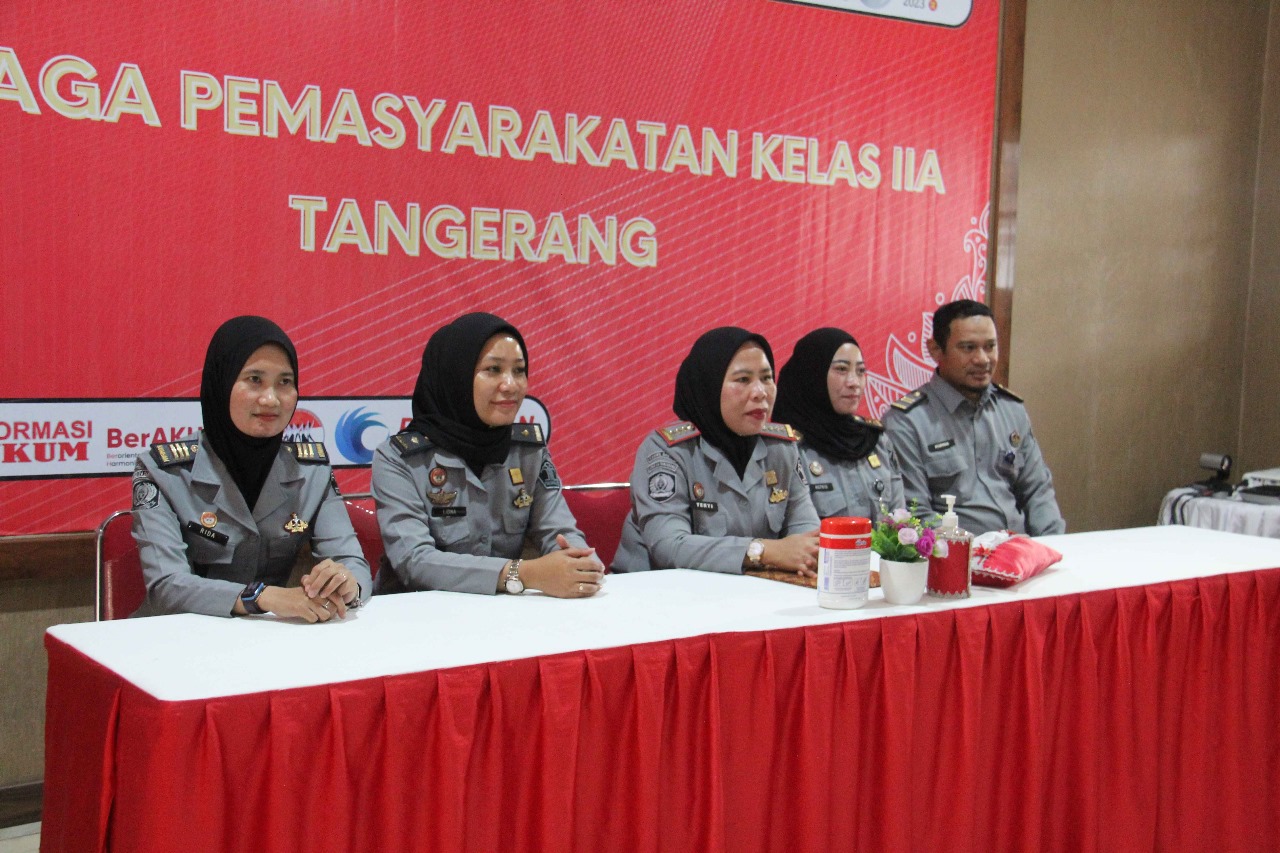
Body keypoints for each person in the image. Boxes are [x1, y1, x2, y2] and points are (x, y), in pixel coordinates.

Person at [131, 316, 372, 619]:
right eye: (254, 379)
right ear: (222, 383)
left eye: (285, 382)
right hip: (175, 635)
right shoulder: (164, 471)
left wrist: (347, 584)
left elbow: (352, 561)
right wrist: (262, 596)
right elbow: (166, 585)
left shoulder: (312, 470)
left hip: (266, 635)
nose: (271, 399)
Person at [372, 312, 603, 597]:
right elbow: (415, 561)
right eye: (493, 369)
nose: (511, 385)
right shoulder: (398, 459)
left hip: (502, 613)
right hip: (416, 613)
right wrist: (521, 573)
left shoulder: (528, 451)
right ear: (455, 376)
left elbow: (559, 531)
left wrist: (579, 564)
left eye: (519, 370)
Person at [612, 326, 820, 574]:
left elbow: (807, 534)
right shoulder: (667, 451)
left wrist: (808, 555)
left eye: (766, 378)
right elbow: (669, 546)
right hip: (655, 590)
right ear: (708, 384)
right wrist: (763, 551)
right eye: (743, 380)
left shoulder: (781, 448)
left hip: (749, 590)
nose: (760, 392)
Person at [882, 299, 1065, 536]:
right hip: (957, 553)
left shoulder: (1012, 410)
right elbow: (915, 514)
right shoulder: (907, 422)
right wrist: (979, 551)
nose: (982, 359)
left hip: (1022, 548)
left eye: (990, 346)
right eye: (968, 348)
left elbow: (1038, 492)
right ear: (935, 350)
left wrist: (1054, 545)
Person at [773, 327, 905, 521]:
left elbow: (900, 521)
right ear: (812, 374)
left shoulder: (876, 441)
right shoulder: (786, 448)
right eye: (841, 369)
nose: (854, 382)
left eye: (860, 371)